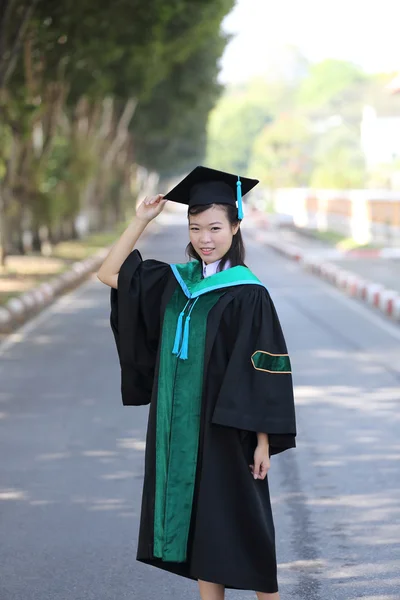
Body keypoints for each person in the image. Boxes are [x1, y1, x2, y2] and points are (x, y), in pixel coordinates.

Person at [97, 166, 296, 600]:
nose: (205, 238)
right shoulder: (175, 282)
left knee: (246, 528)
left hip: (229, 428)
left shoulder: (248, 293)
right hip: (180, 427)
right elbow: (110, 274)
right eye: (196, 228)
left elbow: (263, 367)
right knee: (205, 533)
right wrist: (141, 221)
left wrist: (262, 441)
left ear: (236, 227)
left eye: (215, 228)